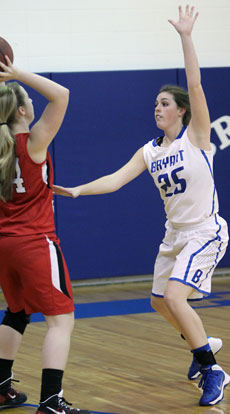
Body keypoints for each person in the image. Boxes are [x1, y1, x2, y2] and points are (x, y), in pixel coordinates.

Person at [53, 5, 230, 407]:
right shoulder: (149, 152)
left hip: (205, 230)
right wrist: (78, 190)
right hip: (174, 235)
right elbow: (115, 180)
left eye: (165, 103)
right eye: (155, 102)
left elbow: (197, 85)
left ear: (181, 111)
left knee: (173, 298)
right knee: (158, 302)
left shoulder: (197, 138)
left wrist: (186, 36)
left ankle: (212, 369)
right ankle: (205, 345)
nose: (157, 107)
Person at [0, 58, 89, 414]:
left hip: (4, 244)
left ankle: (1, 388)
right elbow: (62, 96)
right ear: (22, 109)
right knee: (61, 319)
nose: (35, 105)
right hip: (35, 241)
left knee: (17, 312)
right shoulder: (32, 143)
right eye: (29, 102)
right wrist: (16, 73)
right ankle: (51, 401)